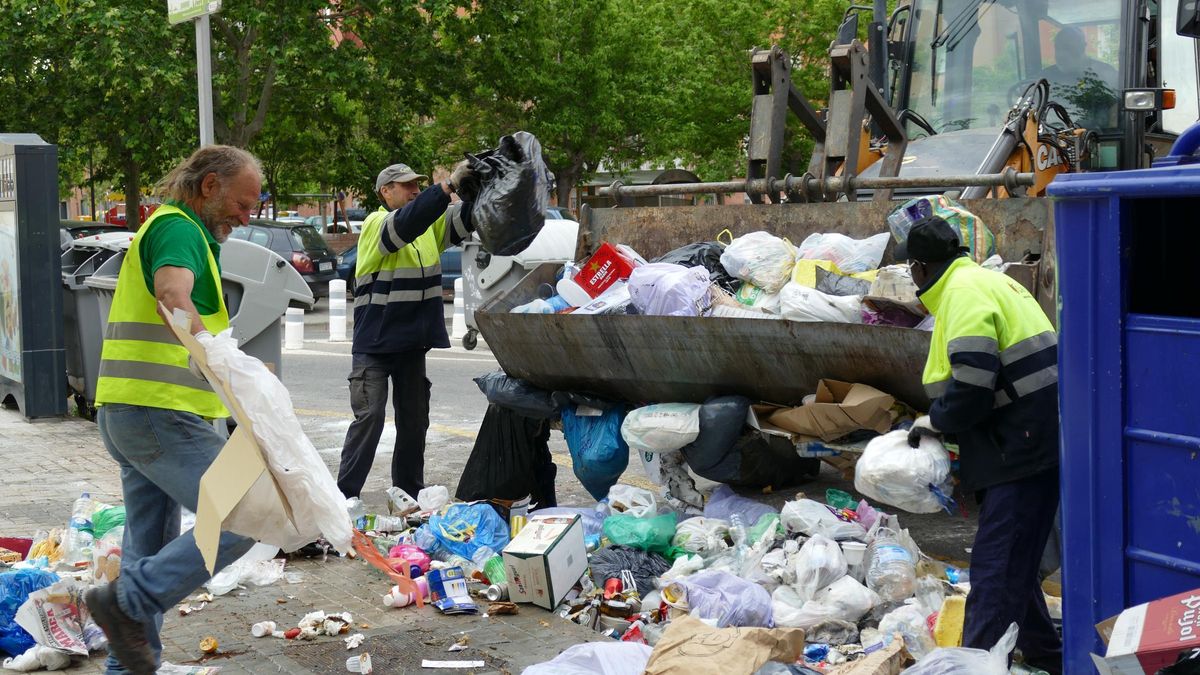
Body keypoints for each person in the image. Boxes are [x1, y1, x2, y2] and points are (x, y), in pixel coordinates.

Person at [84, 145, 264, 674]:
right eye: (242, 203)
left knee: (148, 544)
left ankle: (128, 665)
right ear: (209, 186)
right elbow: (170, 292)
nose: (245, 216)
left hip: (132, 414)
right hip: (158, 417)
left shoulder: (182, 231)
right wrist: (222, 356)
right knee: (245, 514)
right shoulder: (179, 229)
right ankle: (126, 602)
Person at [901, 215, 1061, 673]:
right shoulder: (988, 281)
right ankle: (1049, 657)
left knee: (996, 567)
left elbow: (972, 385)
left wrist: (934, 419)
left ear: (919, 267)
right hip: (1031, 435)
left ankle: (973, 663)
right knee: (1017, 560)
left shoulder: (962, 294)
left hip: (1019, 445)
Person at [336, 161, 475, 500]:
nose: (414, 190)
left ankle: (409, 493)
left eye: (418, 185)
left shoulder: (427, 228)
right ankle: (342, 497)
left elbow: (467, 218)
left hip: (412, 345)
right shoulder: (376, 223)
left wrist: (482, 187)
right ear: (386, 191)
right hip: (375, 344)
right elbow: (408, 222)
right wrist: (447, 186)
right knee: (369, 417)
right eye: (406, 185)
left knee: (415, 421)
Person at [1038, 26, 1119, 129]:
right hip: (1052, 138)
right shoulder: (1045, 77)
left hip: (1095, 137)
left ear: (1083, 47)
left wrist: (1110, 137)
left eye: (1068, 48)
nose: (1061, 54)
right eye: (1058, 48)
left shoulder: (1105, 73)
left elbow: (1114, 111)